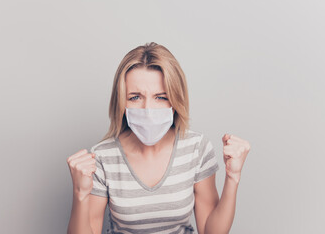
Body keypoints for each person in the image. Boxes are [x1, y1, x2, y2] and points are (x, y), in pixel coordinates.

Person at [67, 42, 251, 234]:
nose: (148, 110)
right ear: (121, 101)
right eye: (135, 97)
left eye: (161, 97)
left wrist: (233, 178)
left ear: (175, 99)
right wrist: (80, 194)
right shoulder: (102, 157)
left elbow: (211, 232)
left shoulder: (196, 148)